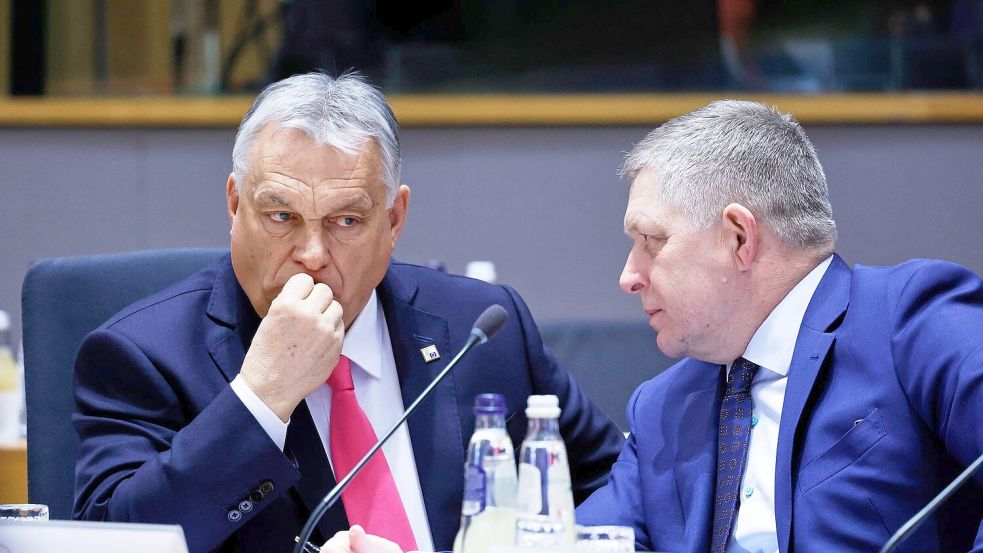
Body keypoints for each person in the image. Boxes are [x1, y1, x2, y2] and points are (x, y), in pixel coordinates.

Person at [72, 72, 624, 553]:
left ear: (395, 219)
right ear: (235, 204)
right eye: (282, 215)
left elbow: (619, 492)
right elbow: (114, 540)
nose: (312, 254)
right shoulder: (144, 356)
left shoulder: (481, 327)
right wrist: (261, 397)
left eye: (346, 222)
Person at [576, 100, 983, 552]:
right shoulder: (660, 409)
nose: (628, 276)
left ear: (738, 237)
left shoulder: (910, 321)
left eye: (651, 241)